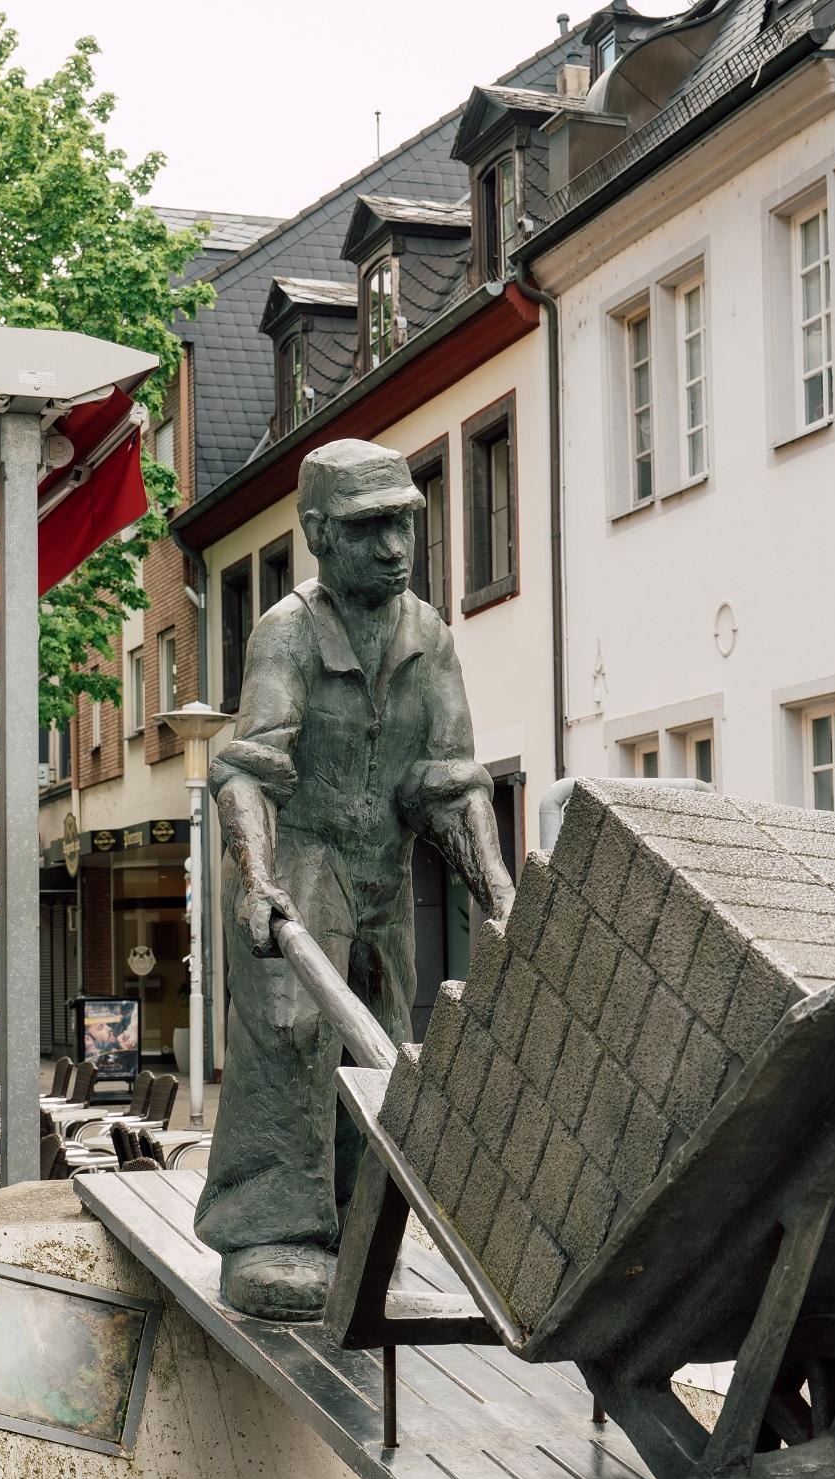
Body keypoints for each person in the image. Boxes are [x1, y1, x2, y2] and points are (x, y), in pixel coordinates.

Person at [198, 439, 516, 1321]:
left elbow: (449, 781)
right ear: (319, 535)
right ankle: (268, 1232)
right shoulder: (288, 631)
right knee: (292, 1033)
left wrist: (499, 892)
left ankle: (357, 1230)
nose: (394, 547)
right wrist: (258, 879)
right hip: (297, 862)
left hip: (382, 868)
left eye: (404, 524)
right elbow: (250, 771)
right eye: (369, 528)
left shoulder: (429, 636)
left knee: (380, 1039)